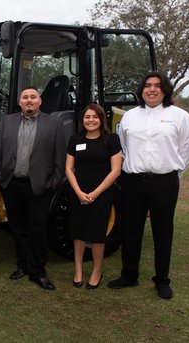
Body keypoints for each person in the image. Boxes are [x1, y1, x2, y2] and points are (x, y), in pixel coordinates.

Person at [108, 71, 189, 299]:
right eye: (147, 85)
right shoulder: (129, 117)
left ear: (165, 90)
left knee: (163, 232)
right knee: (130, 231)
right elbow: (125, 149)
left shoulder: (180, 116)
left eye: (157, 85)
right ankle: (129, 275)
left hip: (164, 183)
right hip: (133, 182)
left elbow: (188, 150)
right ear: (141, 90)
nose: (152, 89)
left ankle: (162, 280)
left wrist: (174, 175)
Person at [0, 87, 66, 290]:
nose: (29, 100)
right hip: (12, 185)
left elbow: (60, 157)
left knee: (38, 229)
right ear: (20, 102)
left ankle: (38, 271)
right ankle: (22, 265)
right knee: (18, 229)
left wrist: (53, 183)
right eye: (25, 97)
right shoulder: (7, 121)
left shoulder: (54, 123)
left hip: (39, 187)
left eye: (33, 97)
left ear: (39, 101)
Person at [65, 104, 122, 289]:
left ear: (101, 119)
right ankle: (78, 270)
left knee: (97, 234)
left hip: (102, 194)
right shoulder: (76, 139)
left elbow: (115, 170)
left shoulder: (111, 140)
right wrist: (79, 193)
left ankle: (97, 271)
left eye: (94, 117)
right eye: (87, 117)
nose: (91, 120)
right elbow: (68, 168)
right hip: (78, 193)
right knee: (79, 232)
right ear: (82, 120)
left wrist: (96, 193)